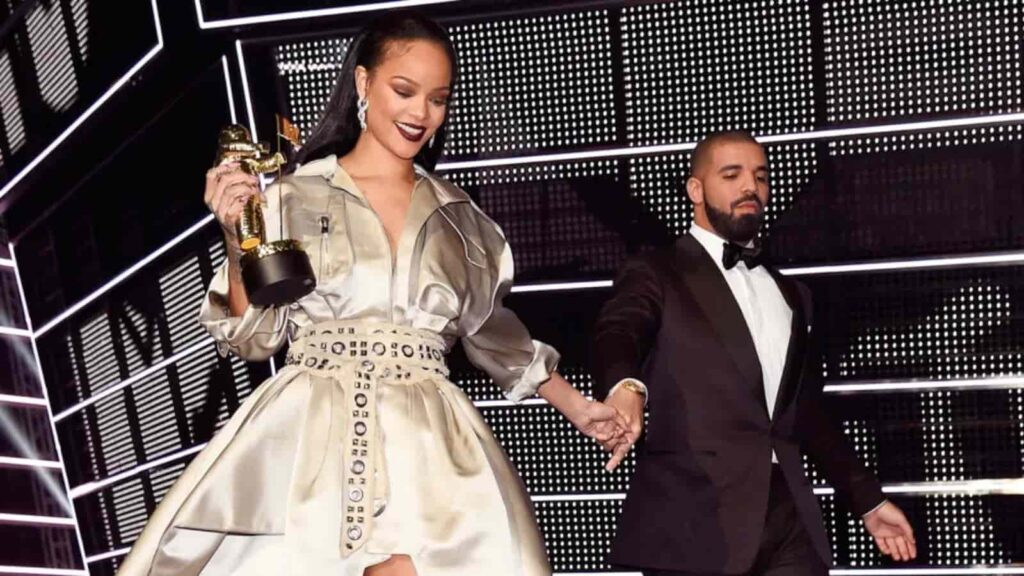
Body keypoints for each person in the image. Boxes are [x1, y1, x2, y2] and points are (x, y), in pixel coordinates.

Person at [116, 11, 630, 576]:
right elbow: (256, 338)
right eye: (404, 90)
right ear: (363, 83)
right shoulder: (293, 195)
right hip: (311, 433)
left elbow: (494, 335)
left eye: (437, 99)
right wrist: (238, 241)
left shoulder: (462, 220)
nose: (420, 113)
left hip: (428, 443)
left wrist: (581, 409)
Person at [591, 130, 916, 576]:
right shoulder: (657, 271)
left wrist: (868, 500)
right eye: (732, 175)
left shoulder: (791, 293)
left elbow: (807, 413)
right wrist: (626, 385)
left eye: (760, 177)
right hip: (694, 519)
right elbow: (618, 330)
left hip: (788, 517)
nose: (751, 188)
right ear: (695, 189)